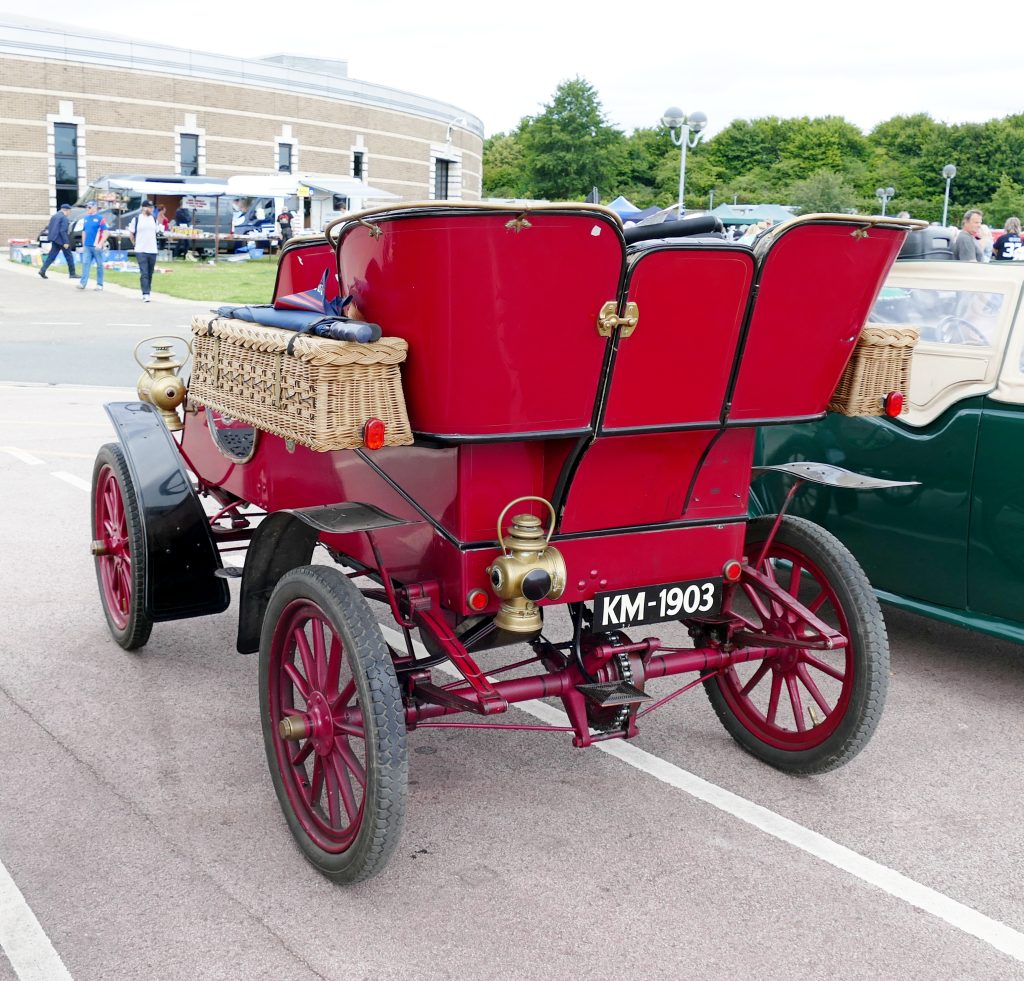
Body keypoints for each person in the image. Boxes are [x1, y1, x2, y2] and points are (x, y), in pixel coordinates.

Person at [128, 199, 159, 302]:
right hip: (141, 250)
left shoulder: (154, 219)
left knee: (150, 273)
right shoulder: (136, 219)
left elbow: (157, 231)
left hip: (152, 250)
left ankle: (148, 290)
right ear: (144, 208)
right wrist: (134, 244)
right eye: (149, 207)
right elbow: (131, 233)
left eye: (152, 208)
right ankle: (145, 293)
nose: (151, 209)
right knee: (144, 272)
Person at [38, 203, 76, 280]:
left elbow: (50, 227)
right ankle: (72, 273)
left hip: (55, 239)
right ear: (66, 210)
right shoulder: (64, 218)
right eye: (69, 211)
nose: (70, 213)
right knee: (69, 256)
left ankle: (43, 270)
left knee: (51, 256)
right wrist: (66, 242)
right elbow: (63, 231)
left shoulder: (54, 216)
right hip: (62, 240)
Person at [77, 201, 107, 290]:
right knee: (85, 264)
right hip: (87, 246)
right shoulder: (86, 218)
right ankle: (83, 283)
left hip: (96, 246)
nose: (87, 209)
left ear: (94, 208)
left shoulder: (100, 218)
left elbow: (106, 232)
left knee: (99, 265)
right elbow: (84, 231)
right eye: (87, 207)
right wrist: (83, 244)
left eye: (89, 207)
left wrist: (101, 243)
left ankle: (99, 284)